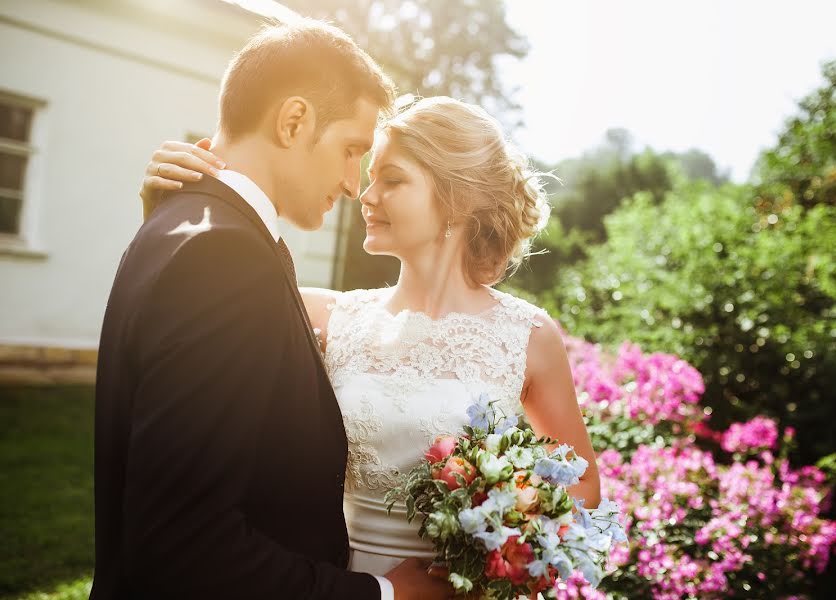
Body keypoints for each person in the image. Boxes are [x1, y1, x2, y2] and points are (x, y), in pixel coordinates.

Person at [140, 95, 602, 578]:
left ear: (458, 200)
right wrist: (170, 211)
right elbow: (191, 297)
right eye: (370, 175)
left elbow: (582, 481)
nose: (365, 194)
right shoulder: (324, 314)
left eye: (393, 179)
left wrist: (502, 533)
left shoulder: (527, 334)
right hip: (333, 582)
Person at [92, 19, 450, 600]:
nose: (354, 183)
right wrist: (383, 595)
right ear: (294, 121)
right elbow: (184, 545)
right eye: (352, 149)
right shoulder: (223, 255)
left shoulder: (183, 224)